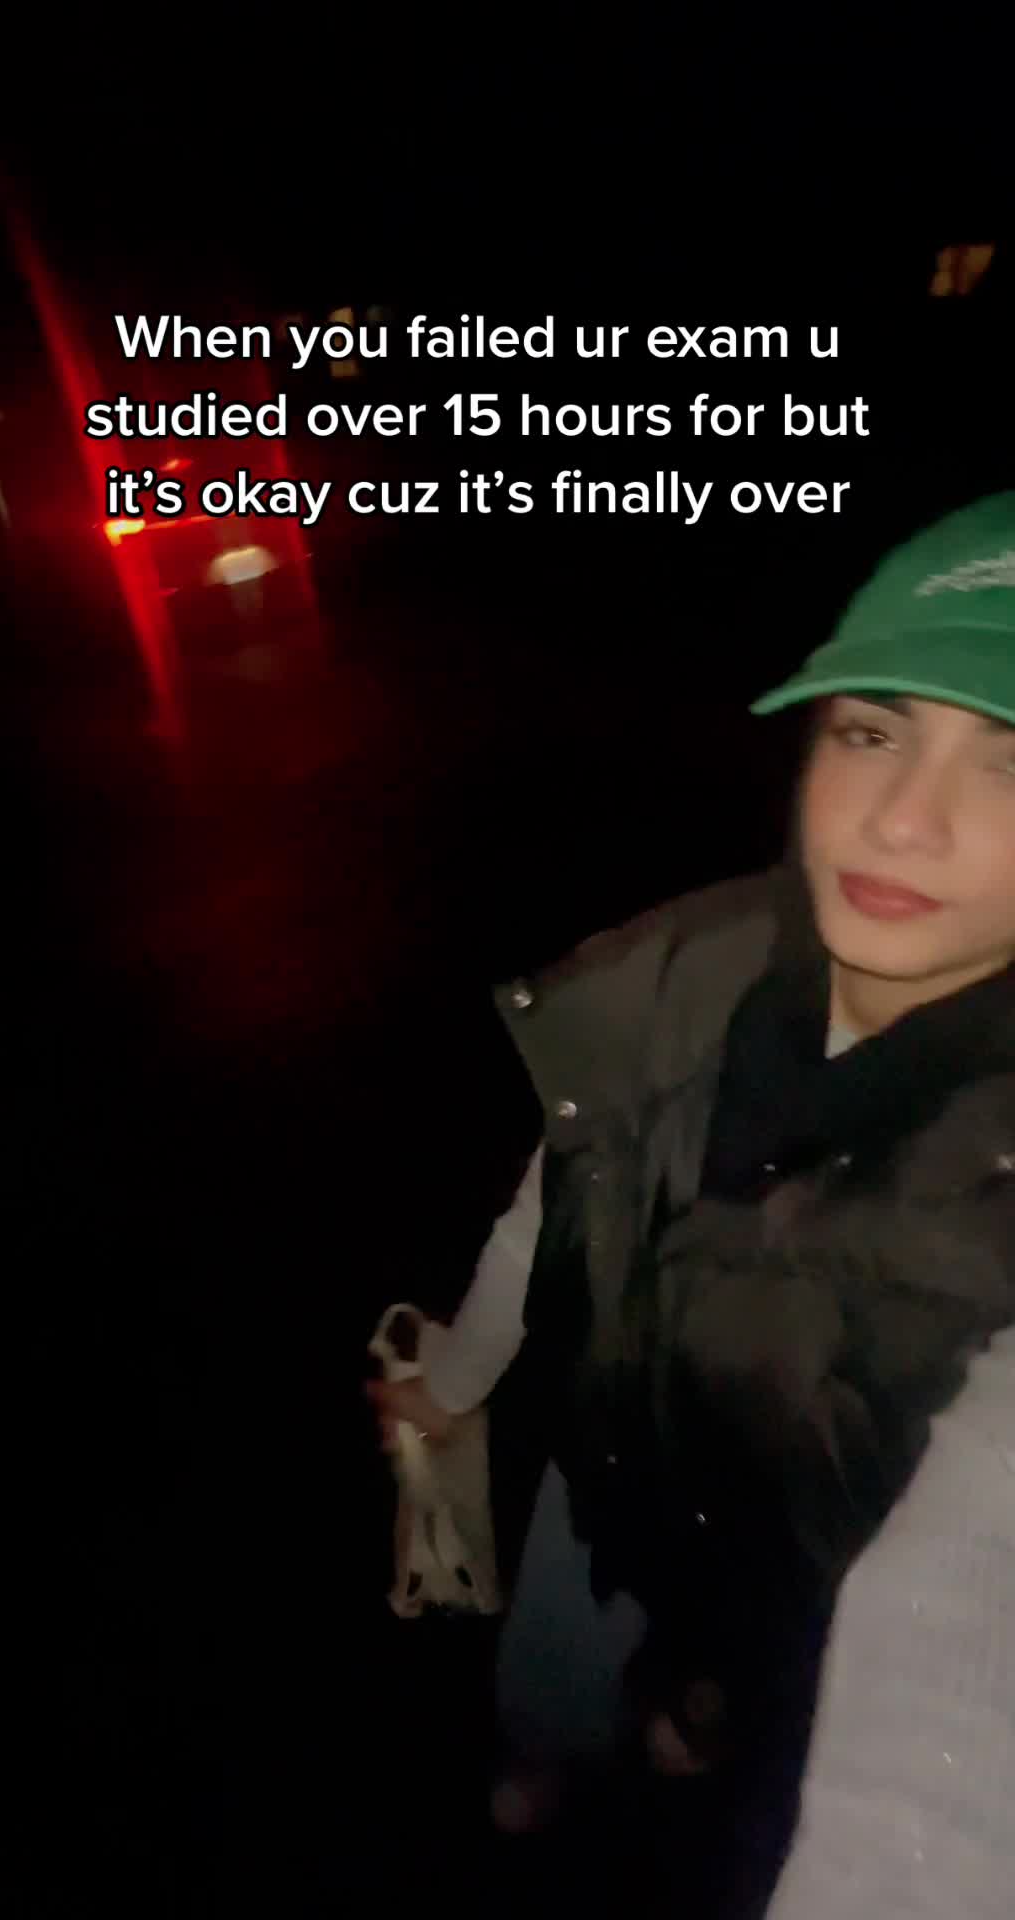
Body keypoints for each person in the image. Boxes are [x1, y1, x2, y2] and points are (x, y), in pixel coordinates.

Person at [369, 493, 1015, 1916]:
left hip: (798, 1636)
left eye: (1011, 764)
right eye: (873, 731)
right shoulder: (682, 974)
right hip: (602, 1491)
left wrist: (744, 1696)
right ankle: (538, 1779)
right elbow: (553, 1210)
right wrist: (455, 1389)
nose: (905, 817)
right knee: (546, 1705)